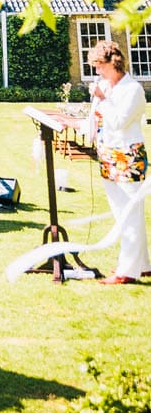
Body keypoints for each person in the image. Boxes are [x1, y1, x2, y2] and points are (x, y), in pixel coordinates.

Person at [87, 38, 150, 285]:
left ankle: (127, 271)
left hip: (128, 157)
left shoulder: (132, 89)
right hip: (108, 155)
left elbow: (119, 121)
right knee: (121, 211)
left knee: (129, 213)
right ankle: (143, 264)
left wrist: (103, 98)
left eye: (100, 66)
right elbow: (98, 118)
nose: (97, 71)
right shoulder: (107, 86)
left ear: (113, 63)